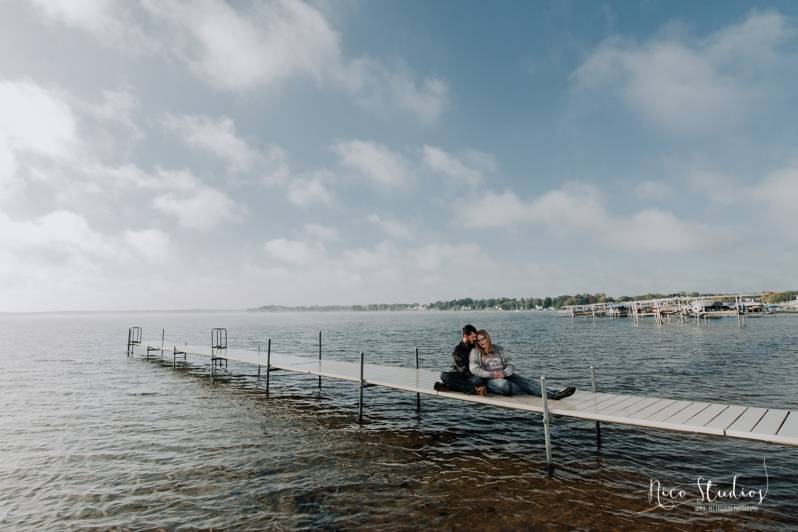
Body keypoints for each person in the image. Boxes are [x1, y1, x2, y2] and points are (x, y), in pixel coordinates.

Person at [468, 329, 575, 400]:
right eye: (479, 340)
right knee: (506, 385)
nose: (482, 342)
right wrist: (491, 375)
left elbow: (511, 365)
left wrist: (504, 372)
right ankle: (550, 393)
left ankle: (554, 394)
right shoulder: (475, 352)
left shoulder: (499, 349)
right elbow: (474, 369)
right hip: (490, 380)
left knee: (526, 381)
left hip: (505, 374)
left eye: (483, 339)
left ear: (487, 338)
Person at [434, 324, 487, 395]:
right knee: (443, 375)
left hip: (472, 376)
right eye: (473, 337)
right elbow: (462, 369)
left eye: (475, 337)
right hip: (460, 374)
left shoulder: (476, 346)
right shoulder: (457, 349)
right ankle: (474, 390)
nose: (475, 339)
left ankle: (449, 386)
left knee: (479, 379)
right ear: (465, 336)